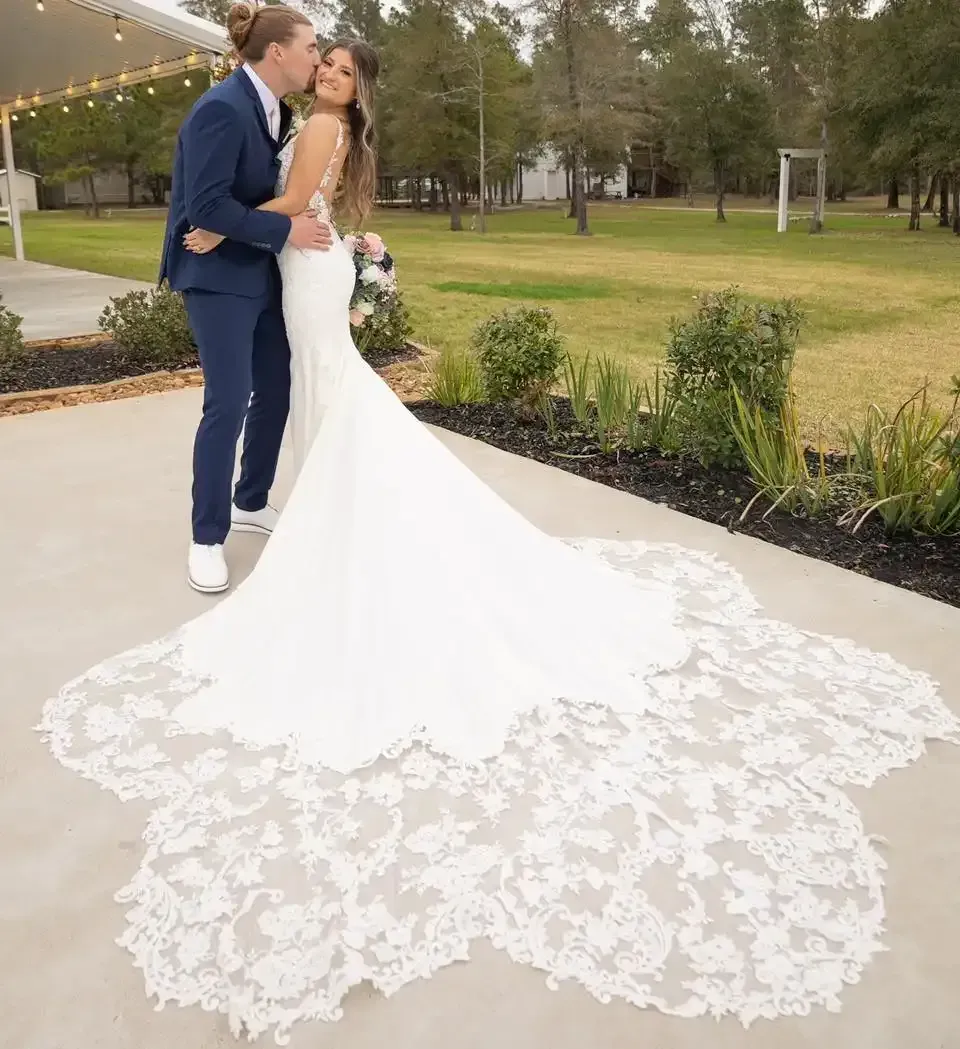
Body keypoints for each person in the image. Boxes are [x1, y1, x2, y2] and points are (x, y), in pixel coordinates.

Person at [38, 24, 957, 1047]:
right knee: (318, 406)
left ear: (351, 86)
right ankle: (282, 514)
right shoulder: (287, 118)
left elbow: (290, 206)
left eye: (339, 67)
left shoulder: (315, 126)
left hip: (301, 272)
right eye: (321, 60)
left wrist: (227, 226)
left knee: (328, 406)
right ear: (295, 61)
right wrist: (278, 231)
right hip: (300, 274)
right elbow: (293, 205)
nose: (326, 71)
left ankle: (321, 530)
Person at [159, 2, 335, 595]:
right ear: (278, 52)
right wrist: (287, 231)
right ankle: (206, 538)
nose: (318, 59)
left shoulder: (278, 109)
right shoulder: (221, 108)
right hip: (214, 277)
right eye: (311, 48)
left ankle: (251, 501)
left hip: (260, 272)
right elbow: (204, 207)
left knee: (277, 388)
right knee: (228, 401)